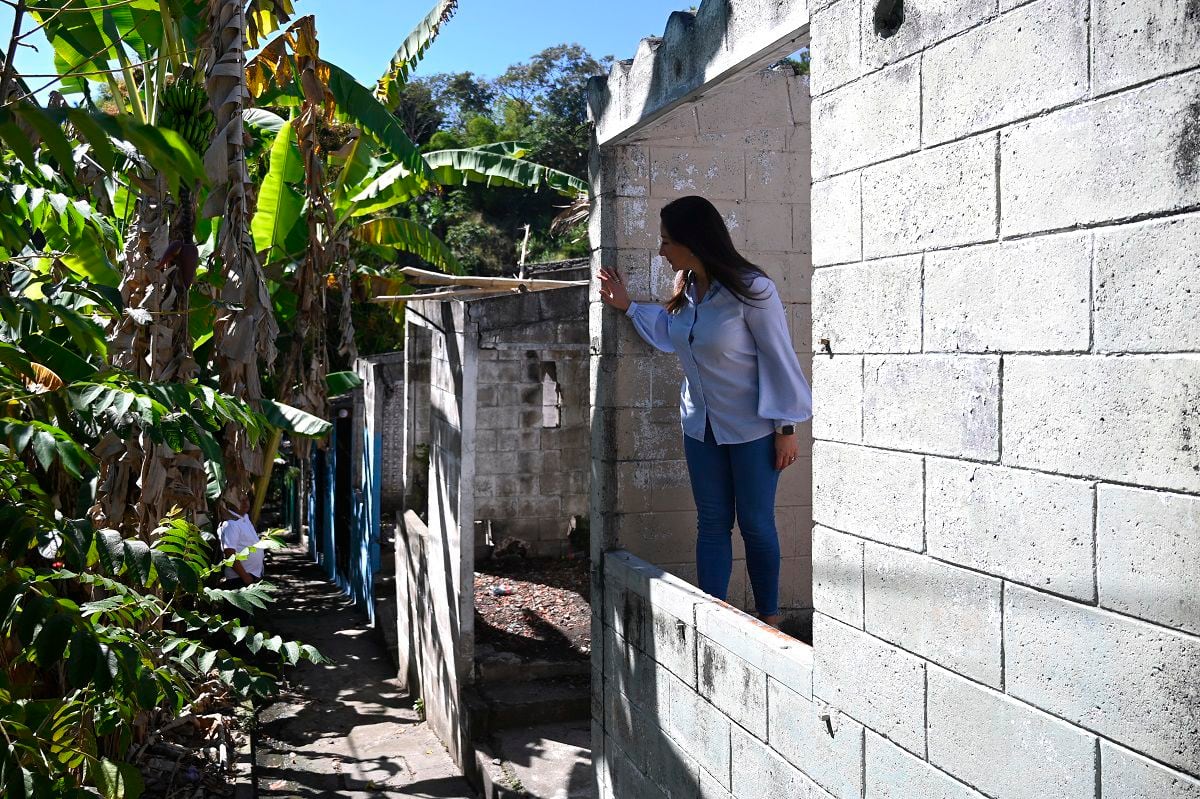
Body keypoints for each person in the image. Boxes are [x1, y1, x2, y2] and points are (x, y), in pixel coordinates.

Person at [598, 195, 812, 628]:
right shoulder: (685, 288)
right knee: (712, 522)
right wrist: (628, 306)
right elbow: (673, 334)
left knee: (754, 523)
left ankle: (768, 618)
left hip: (753, 426)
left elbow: (778, 356)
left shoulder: (752, 290)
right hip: (700, 426)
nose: (661, 250)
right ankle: (715, 619)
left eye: (666, 241)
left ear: (693, 242)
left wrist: (786, 427)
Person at [218, 495, 264, 588]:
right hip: (239, 579)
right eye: (240, 500)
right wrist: (246, 578)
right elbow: (229, 553)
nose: (245, 503)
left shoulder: (244, 518)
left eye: (246, 499)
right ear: (230, 503)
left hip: (250, 577)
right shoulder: (231, 524)